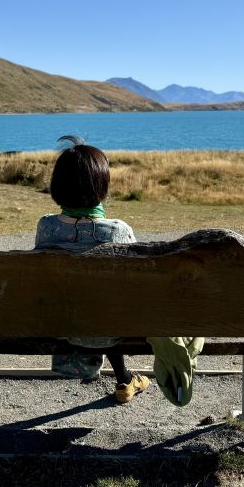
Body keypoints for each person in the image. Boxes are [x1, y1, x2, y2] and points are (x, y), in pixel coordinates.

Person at [35, 135, 151, 404]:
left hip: (63, 325)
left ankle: (124, 378)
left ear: (58, 185)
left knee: (90, 300)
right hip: (112, 327)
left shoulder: (47, 227)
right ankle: (125, 379)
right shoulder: (119, 231)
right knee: (107, 301)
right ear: (102, 185)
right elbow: (136, 289)